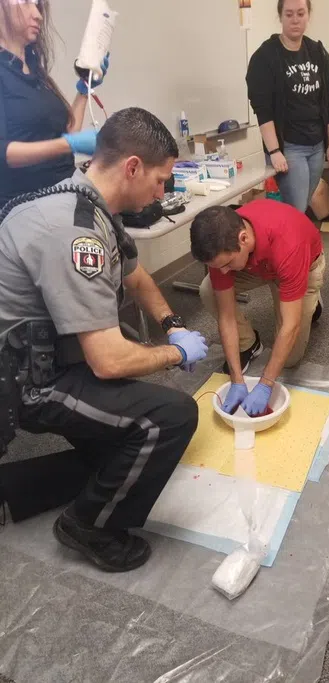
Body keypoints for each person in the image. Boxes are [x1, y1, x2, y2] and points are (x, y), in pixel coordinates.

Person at [0, 108, 209, 573]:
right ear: (132, 167)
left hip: (49, 352)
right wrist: (175, 353)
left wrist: (173, 322)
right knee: (171, 418)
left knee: (116, 459)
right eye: (160, 180)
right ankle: (88, 526)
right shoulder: (76, 230)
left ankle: (12, 490)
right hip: (26, 381)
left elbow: (136, 278)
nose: (163, 192)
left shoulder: (93, 204)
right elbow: (109, 362)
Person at [190, 200, 325, 417]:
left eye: (226, 265)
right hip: (256, 266)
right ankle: (250, 343)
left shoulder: (288, 244)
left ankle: (311, 301)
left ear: (243, 239)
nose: (223, 272)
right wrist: (236, 379)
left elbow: (290, 325)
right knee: (209, 290)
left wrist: (266, 383)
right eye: (218, 266)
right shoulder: (220, 247)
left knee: (291, 359)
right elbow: (226, 317)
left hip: (301, 265)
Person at [0, 0, 102, 210]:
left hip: (63, 194)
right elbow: (3, 153)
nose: (38, 15)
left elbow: (67, 132)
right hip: (23, 210)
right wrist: (69, 144)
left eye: (38, 6)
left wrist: (84, 89)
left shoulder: (35, 69)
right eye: (27, 3)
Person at [246, 0, 329, 213]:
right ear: (280, 16)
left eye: (300, 13)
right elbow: (263, 109)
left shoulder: (318, 53)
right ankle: (294, 245)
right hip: (289, 147)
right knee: (296, 210)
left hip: (316, 145)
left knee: (300, 207)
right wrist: (275, 151)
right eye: (289, 14)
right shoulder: (266, 56)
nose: (295, 20)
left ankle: (294, 243)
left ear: (308, 15)